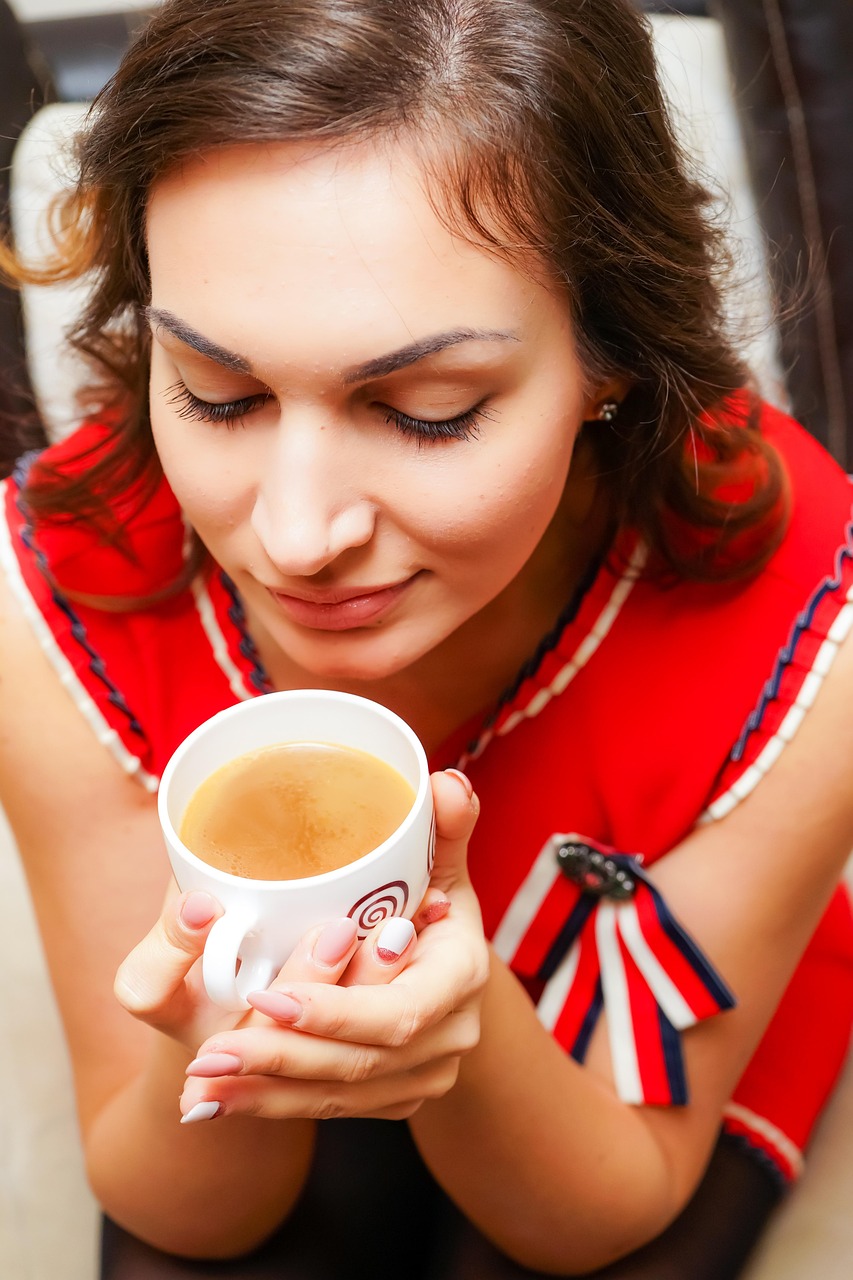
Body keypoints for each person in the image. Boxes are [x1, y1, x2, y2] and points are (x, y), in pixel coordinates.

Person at [1, 1, 853, 1277]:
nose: (296, 536)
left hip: (627, 1082)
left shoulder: (809, 627)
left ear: (609, 357)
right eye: (219, 394)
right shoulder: (60, 597)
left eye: (428, 409)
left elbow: (595, 1211)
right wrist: (219, 1037)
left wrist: (470, 1029)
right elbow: (183, 1214)